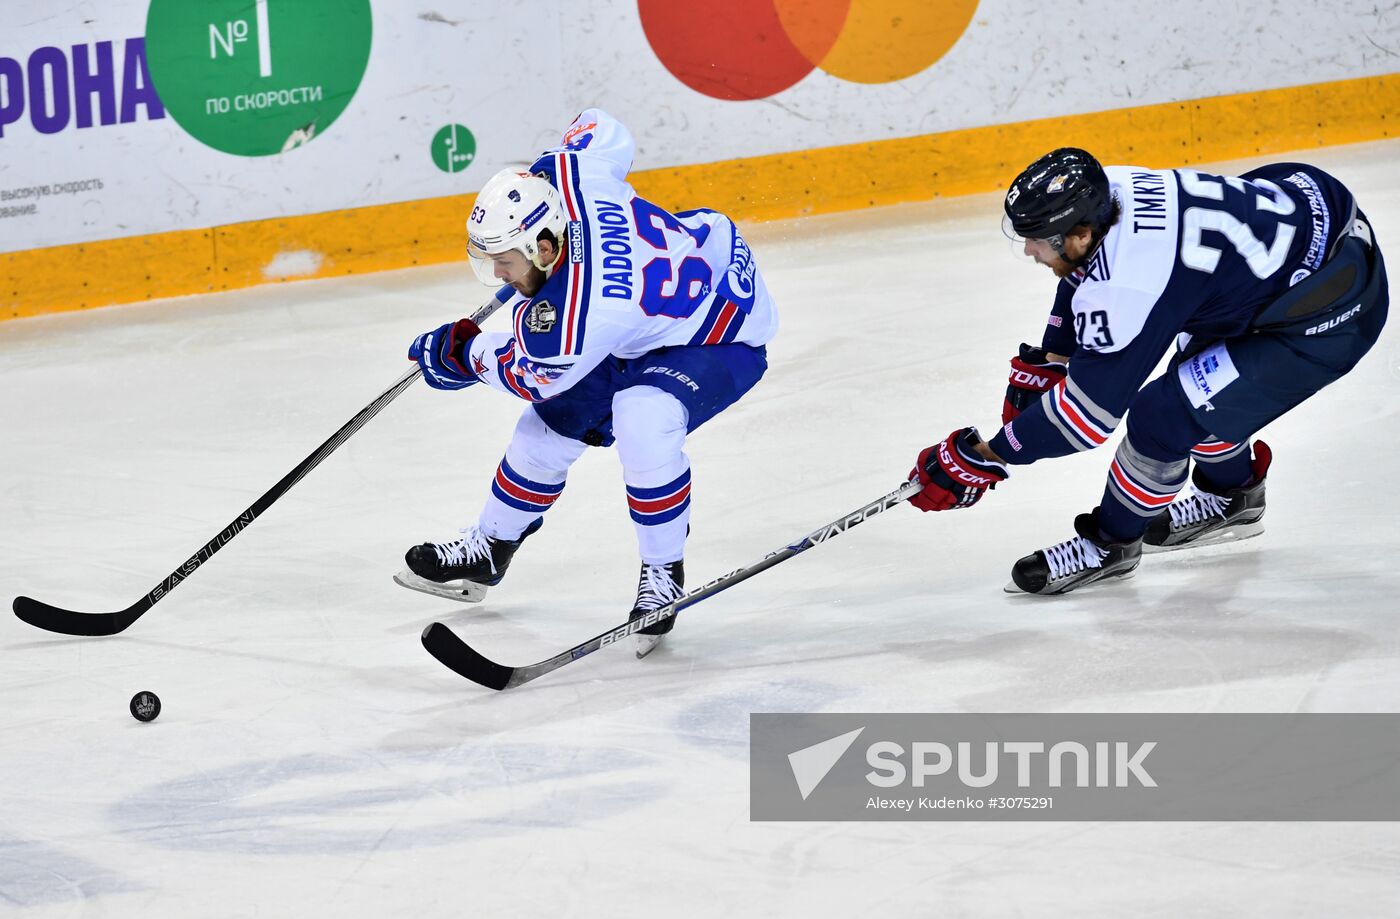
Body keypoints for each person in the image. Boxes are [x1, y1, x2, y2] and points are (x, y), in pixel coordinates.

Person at [909, 147, 1388, 594]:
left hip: (1328, 312)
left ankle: (1111, 544)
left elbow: (1085, 420)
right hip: (1309, 220)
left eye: (1036, 241)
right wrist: (1053, 356)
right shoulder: (1110, 192)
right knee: (1199, 388)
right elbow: (1081, 274)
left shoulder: (1127, 286)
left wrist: (985, 457)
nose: (1030, 251)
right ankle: (1235, 496)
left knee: (1163, 418)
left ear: (1079, 235)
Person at [398, 109, 778, 656]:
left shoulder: (578, 319)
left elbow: (528, 373)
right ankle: (490, 548)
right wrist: (541, 175)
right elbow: (601, 127)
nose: (498, 275)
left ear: (544, 248)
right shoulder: (572, 178)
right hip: (654, 307)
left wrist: (462, 355)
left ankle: (663, 575)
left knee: (643, 417)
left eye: (505, 261)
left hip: (721, 331)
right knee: (545, 432)